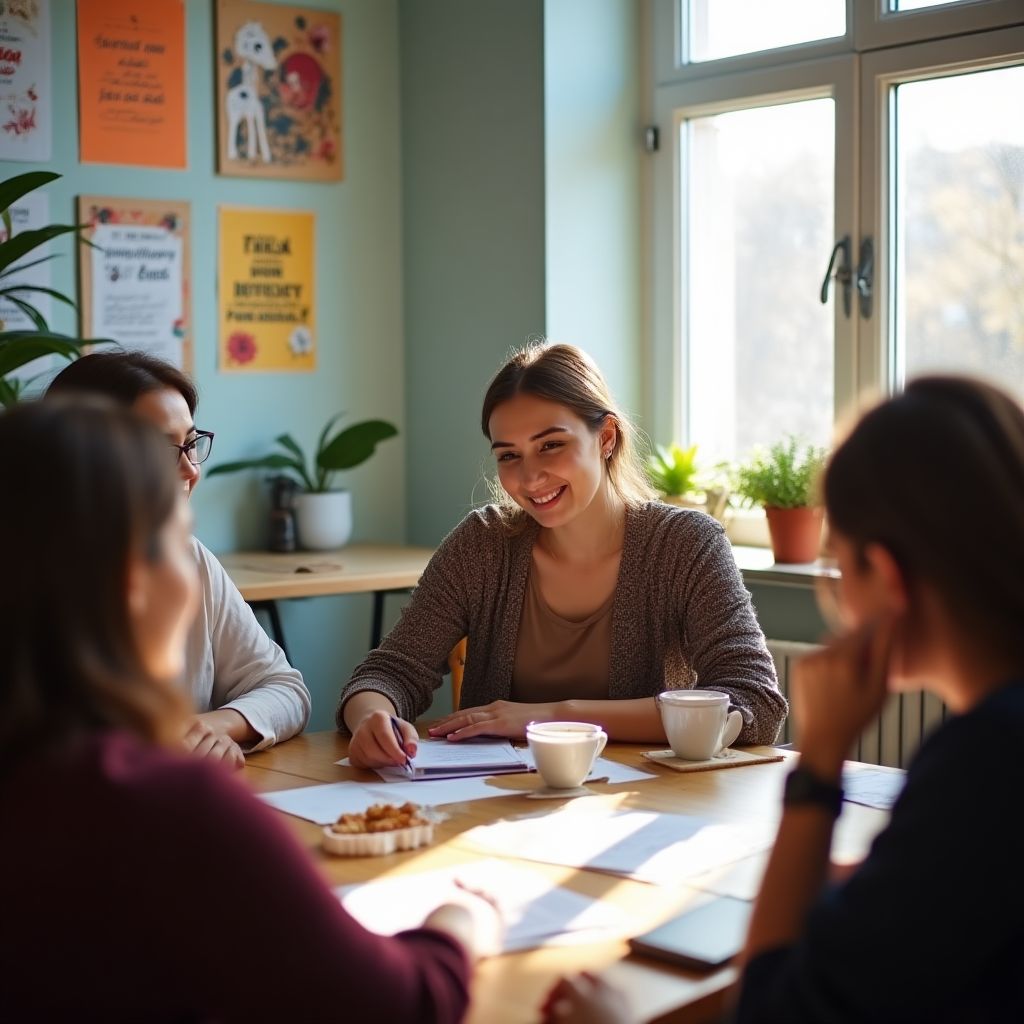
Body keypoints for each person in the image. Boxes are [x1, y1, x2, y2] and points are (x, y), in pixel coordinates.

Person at [541, 375, 1024, 1023]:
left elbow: (773, 1008)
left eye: (836, 567)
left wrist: (820, 758)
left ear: (884, 576)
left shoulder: (983, 758)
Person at [0, 398, 500, 1022]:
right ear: (132, 579)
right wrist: (462, 920)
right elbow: (399, 1005)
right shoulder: (166, 809)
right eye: (175, 541)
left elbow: (281, 683)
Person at [339, 342, 785, 769]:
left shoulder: (686, 545)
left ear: (606, 436)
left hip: (639, 814)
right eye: (509, 455)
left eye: (551, 445)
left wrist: (557, 716)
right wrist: (371, 719)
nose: (530, 477)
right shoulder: (481, 545)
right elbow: (390, 672)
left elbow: (754, 702)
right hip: (493, 806)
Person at [47, 351, 310, 768]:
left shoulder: (188, 557)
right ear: (86, 456)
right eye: (160, 449)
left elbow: (283, 686)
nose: (189, 470)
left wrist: (219, 725)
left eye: (189, 444)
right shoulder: (29, 580)